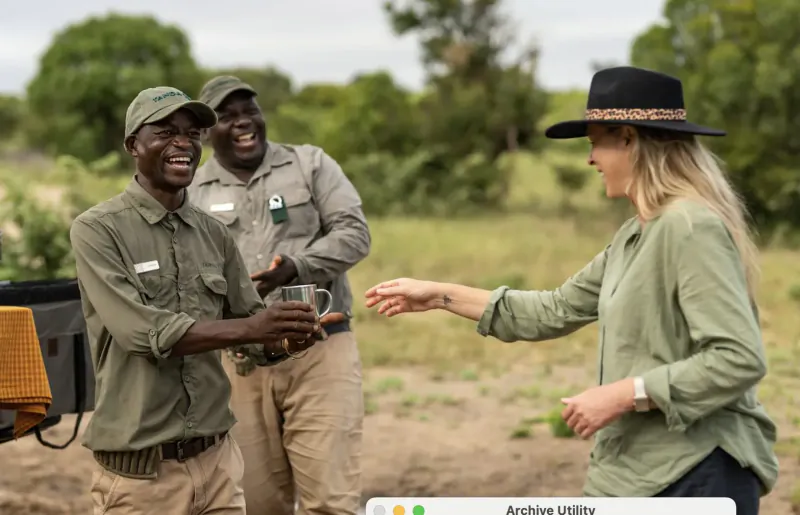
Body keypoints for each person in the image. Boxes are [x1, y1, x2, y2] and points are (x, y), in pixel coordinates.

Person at [364, 66, 778, 512]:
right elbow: (555, 309)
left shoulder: (689, 226)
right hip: (633, 473)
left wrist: (622, 394)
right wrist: (440, 295)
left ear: (628, 140)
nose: (590, 159)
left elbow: (738, 358)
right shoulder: (634, 236)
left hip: (695, 471)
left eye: (595, 142)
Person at [70, 86, 343, 515]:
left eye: (192, 133)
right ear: (132, 146)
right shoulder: (98, 230)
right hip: (142, 478)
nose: (183, 143)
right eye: (165, 132)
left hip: (218, 466)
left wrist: (287, 336)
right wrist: (255, 327)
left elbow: (251, 325)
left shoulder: (213, 233)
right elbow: (143, 334)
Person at [187, 75, 371, 515]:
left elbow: (354, 233)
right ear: (207, 133)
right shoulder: (191, 191)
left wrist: (297, 266)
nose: (243, 121)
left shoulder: (310, 165)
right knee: (253, 503)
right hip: (237, 365)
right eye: (227, 116)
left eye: (250, 110)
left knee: (331, 501)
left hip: (320, 349)